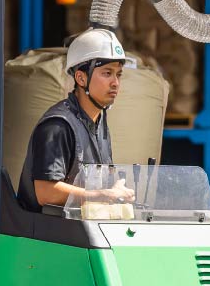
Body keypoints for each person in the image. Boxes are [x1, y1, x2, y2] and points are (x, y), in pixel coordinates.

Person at [17, 28, 137, 213]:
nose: (115, 82)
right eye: (107, 73)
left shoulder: (98, 122)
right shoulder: (58, 126)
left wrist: (117, 190)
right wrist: (105, 195)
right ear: (81, 78)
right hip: (44, 236)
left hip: (77, 232)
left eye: (118, 74)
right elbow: (46, 193)